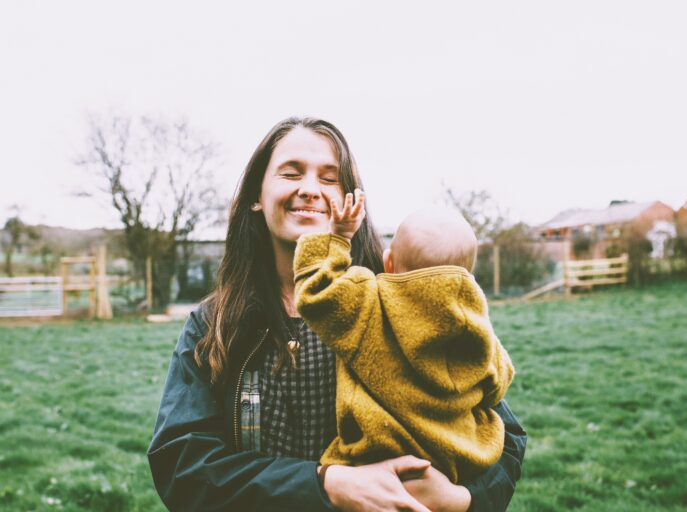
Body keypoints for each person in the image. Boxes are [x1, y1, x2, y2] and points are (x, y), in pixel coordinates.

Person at [147, 116, 527, 512]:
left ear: (352, 200)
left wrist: (464, 499)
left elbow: (507, 440)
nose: (310, 189)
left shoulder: (402, 307)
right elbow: (182, 464)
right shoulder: (214, 324)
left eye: (329, 179)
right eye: (291, 173)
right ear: (257, 196)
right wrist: (325, 485)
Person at [294, 194, 515, 484]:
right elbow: (498, 383)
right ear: (468, 274)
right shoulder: (477, 326)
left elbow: (316, 293)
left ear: (388, 262)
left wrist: (337, 237)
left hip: (372, 463)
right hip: (457, 465)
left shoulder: (369, 304)